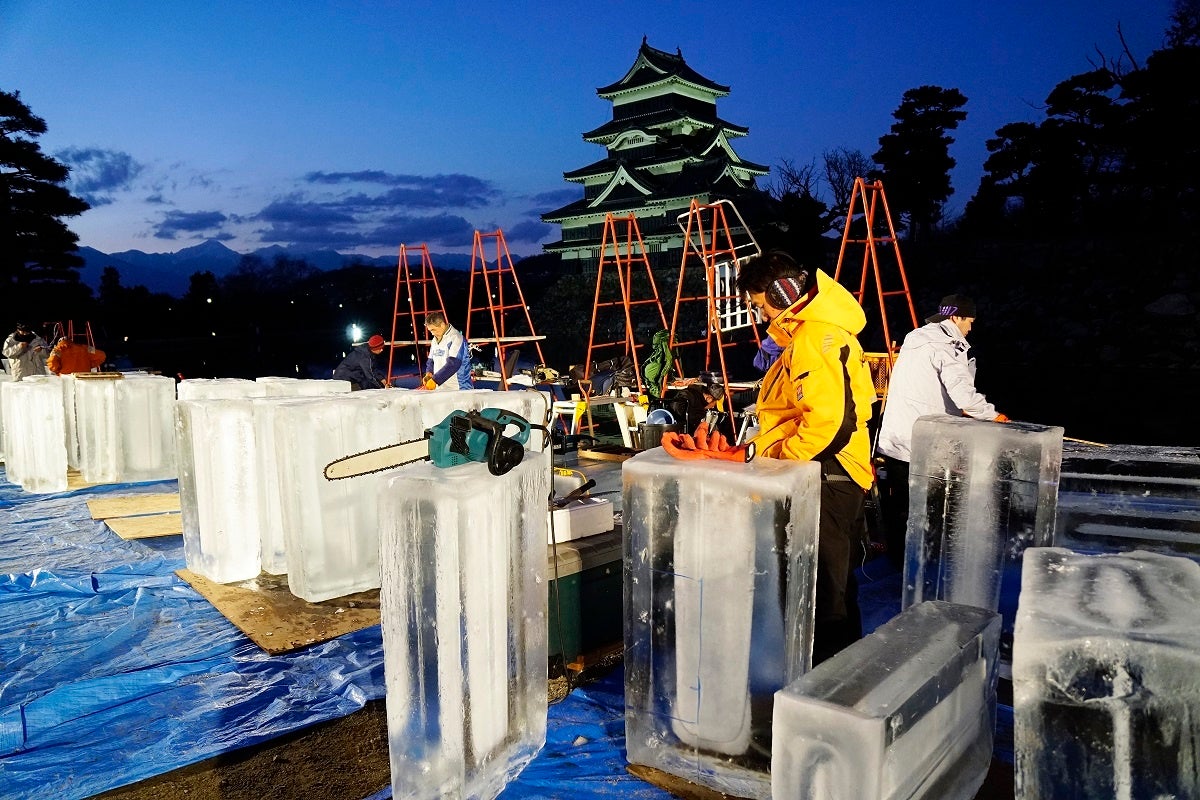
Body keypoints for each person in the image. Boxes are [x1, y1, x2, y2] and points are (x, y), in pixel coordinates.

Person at [736, 250, 878, 665]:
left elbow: (829, 424)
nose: (760, 314)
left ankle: (825, 685)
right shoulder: (811, 336)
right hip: (830, 474)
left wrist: (784, 466)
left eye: (759, 304)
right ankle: (842, 678)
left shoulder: (814, 338)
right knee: (833, 587)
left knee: (821, 592)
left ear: (781, 294)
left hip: (826, 476)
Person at [875, 294, 1009, 566]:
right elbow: (964, 395)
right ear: (956, 317)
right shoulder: (946, 345)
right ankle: (927, 566)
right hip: (923, 444)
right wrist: (994, 416)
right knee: (932, 509)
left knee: (902, 507)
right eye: (969, 321)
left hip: (895, 439)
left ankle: (899, 564)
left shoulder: (916, 337)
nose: (970, 328)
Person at [421, 311, 470, 391]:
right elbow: (431, 361)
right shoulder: (434, 340)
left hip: (458, 389)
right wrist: (429, 373)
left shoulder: (456, 338)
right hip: (440, 389)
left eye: (434, 330)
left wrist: (435, 380)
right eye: (430, 331)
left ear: (442, 325)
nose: (432, 333)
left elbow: (454, 364)